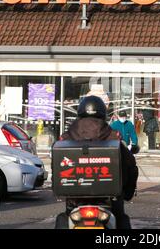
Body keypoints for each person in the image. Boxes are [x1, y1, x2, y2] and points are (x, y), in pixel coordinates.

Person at [58, 96, 138, 229]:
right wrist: (127, 192)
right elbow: (130, 166)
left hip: (75, 201)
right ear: (102, 113)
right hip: (109, 201)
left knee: (63, 219)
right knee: (121, 219)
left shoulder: (66, 138)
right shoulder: (113, 137)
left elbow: (58, 166)